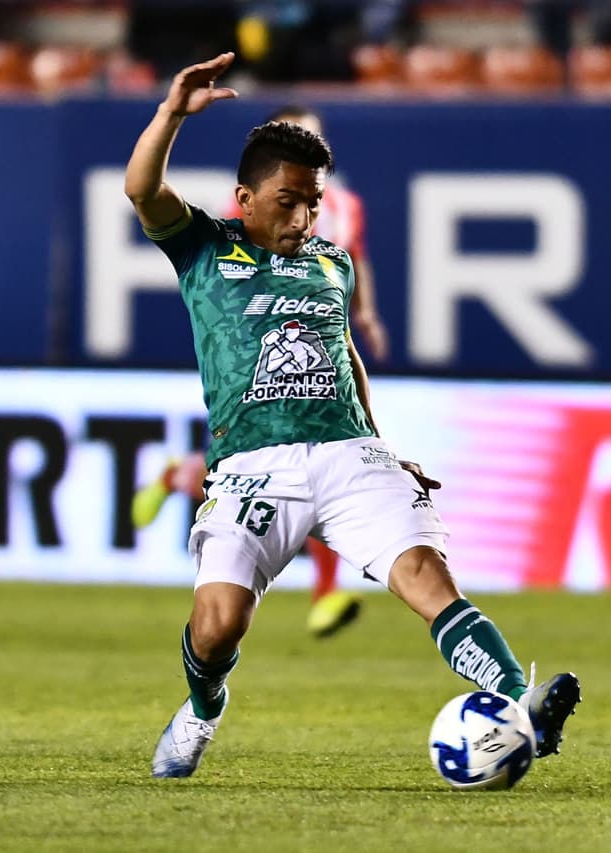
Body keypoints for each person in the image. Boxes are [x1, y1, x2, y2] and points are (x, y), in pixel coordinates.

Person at [126, 52, 580, 778]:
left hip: (347, 453)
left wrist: (381, 443)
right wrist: (169, 115)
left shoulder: (334, 262)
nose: (304, 217)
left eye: (314, 201)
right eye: (288, 200)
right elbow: (141, 188)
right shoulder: (206, 248)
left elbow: (343, 355)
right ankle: (204, 707)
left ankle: (518, 700)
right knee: (216, 626)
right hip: (253, 467)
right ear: (245, 195)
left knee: (427, 576)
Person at [133, 101, 391, 639]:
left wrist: (362, 314)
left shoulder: (344, 209)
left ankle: (325, 595)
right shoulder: (247, 208)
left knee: (325, 464)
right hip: (257, 351)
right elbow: (221, 253)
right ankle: (175, 475)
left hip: (320, 336)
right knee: (250, 469)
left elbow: (353, 260)